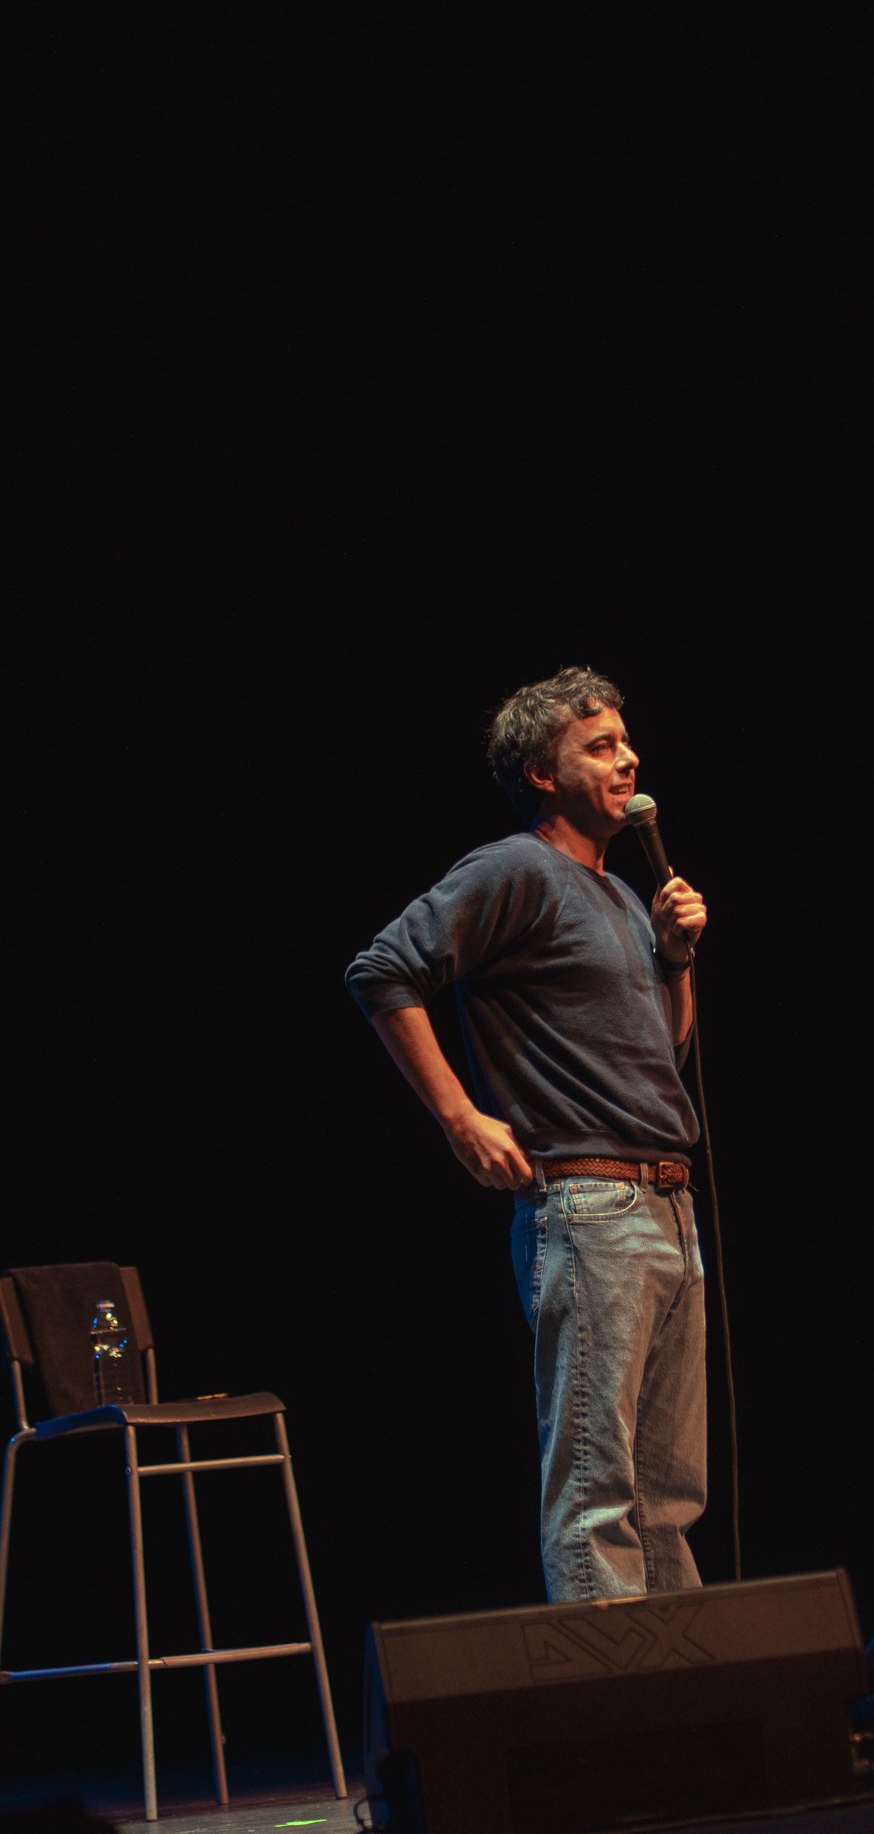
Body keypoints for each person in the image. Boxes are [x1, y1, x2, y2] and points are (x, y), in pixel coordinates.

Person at [345, 665, 709, 1604]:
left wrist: (675, 960)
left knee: (667, 1499)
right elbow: (382, 971)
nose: (628, 759)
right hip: (591, 1204)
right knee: (597, 1491)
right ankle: (611, 1688)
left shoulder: (622, 897)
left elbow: (663, 1051)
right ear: (543, 773)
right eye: (600, 746)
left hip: (668, 1206)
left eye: (626, 741)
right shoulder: (514, 869)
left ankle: (688, 1683)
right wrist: (460, 1116)